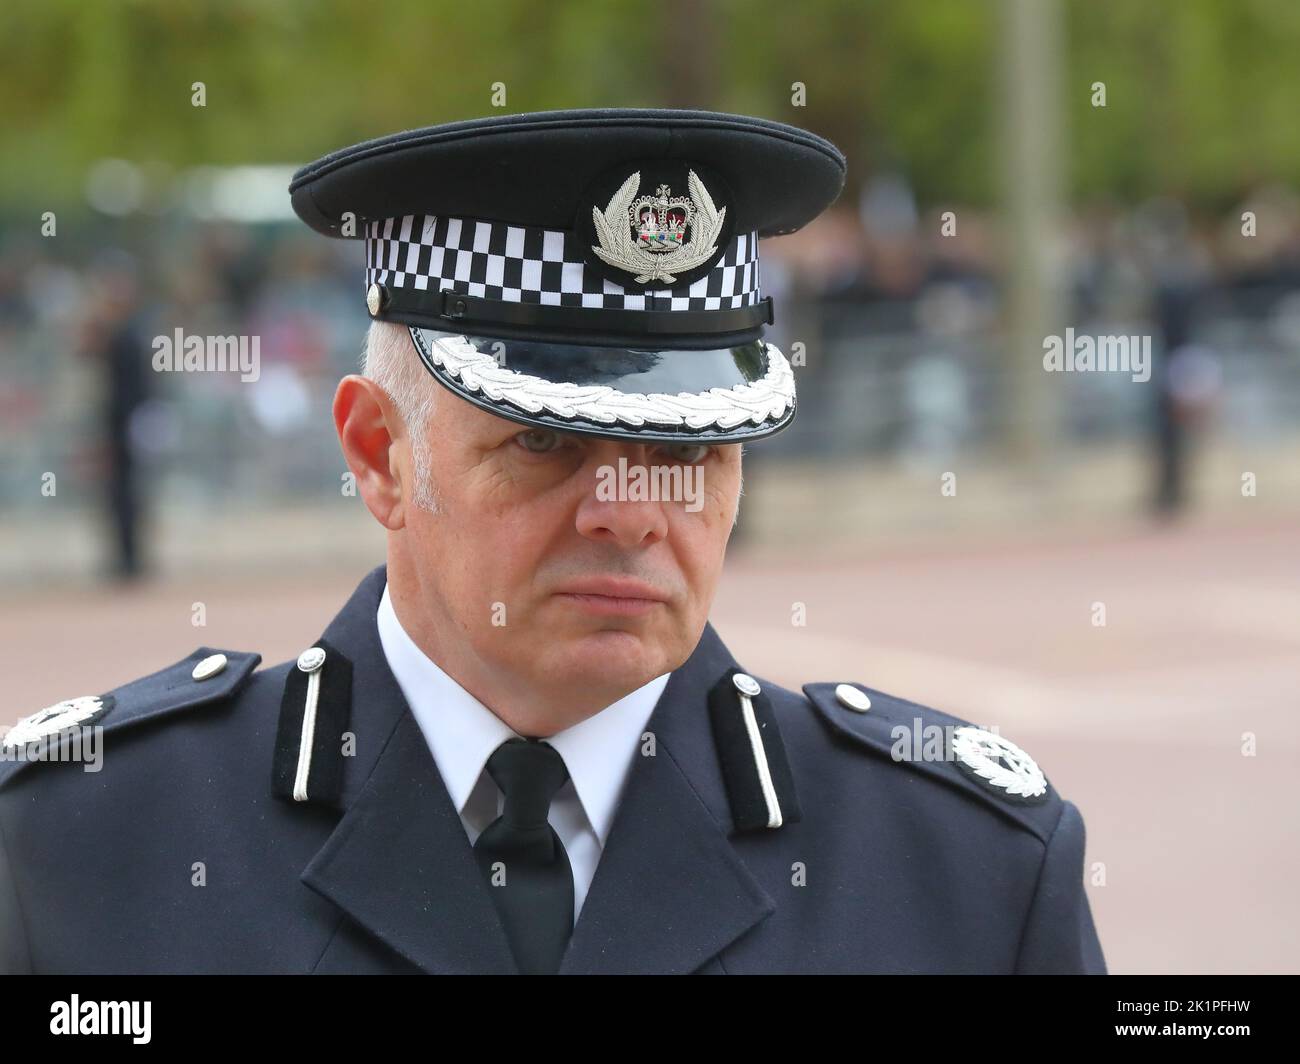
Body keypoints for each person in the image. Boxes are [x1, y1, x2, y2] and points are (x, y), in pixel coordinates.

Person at [0, 108, 1105, 974]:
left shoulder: (963, 870)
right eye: (544, 441)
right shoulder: (77, 848)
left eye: (685, 448)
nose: (629, 507)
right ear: (379, 455)